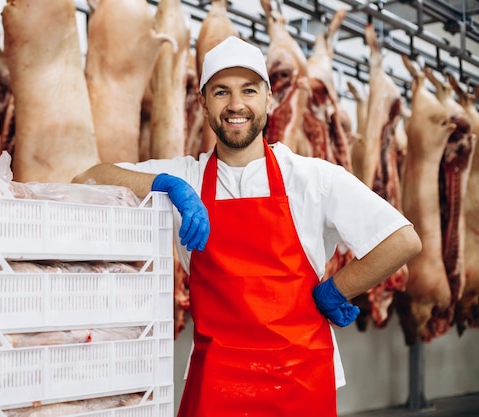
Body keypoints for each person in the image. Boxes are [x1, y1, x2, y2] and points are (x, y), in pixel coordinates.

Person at [72, 35, 422, 417]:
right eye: (221, 92)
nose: (236, 105)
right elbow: (88, 178)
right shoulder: (184, 174)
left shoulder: (312, 178)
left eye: (249, 90)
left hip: (300, 380)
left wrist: (336, 289)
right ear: (203, 103)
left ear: (268, 99)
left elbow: (401, 240)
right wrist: (164, 185)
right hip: (215, 383)